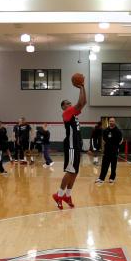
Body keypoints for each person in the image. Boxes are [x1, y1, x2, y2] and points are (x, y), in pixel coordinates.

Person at [52, 76, 86, 209]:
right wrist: (81, 87)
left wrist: (82, 87)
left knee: (75, 172)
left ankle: (67, 195)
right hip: (71, 145)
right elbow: (80, 103)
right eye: (67, 103)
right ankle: (58, 195)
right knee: (70, 171)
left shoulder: (74, 114)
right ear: (63, 107)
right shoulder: (67, 113)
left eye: (70, 102)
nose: (70, 104)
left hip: (76, 145)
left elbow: (83, 102)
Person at [97, 117, 124, 183]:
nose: (111, 122)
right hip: (107, 151)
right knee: (104, 165)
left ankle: (112, 178)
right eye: (110, 121)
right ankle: (101, 178)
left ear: (114, 122)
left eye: (112, 121)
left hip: (114, 151)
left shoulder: (118, 131)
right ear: (108, 122)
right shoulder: (106, 130)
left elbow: (120, 141)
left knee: (113, 165)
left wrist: (116, 146)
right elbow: (104, 140)